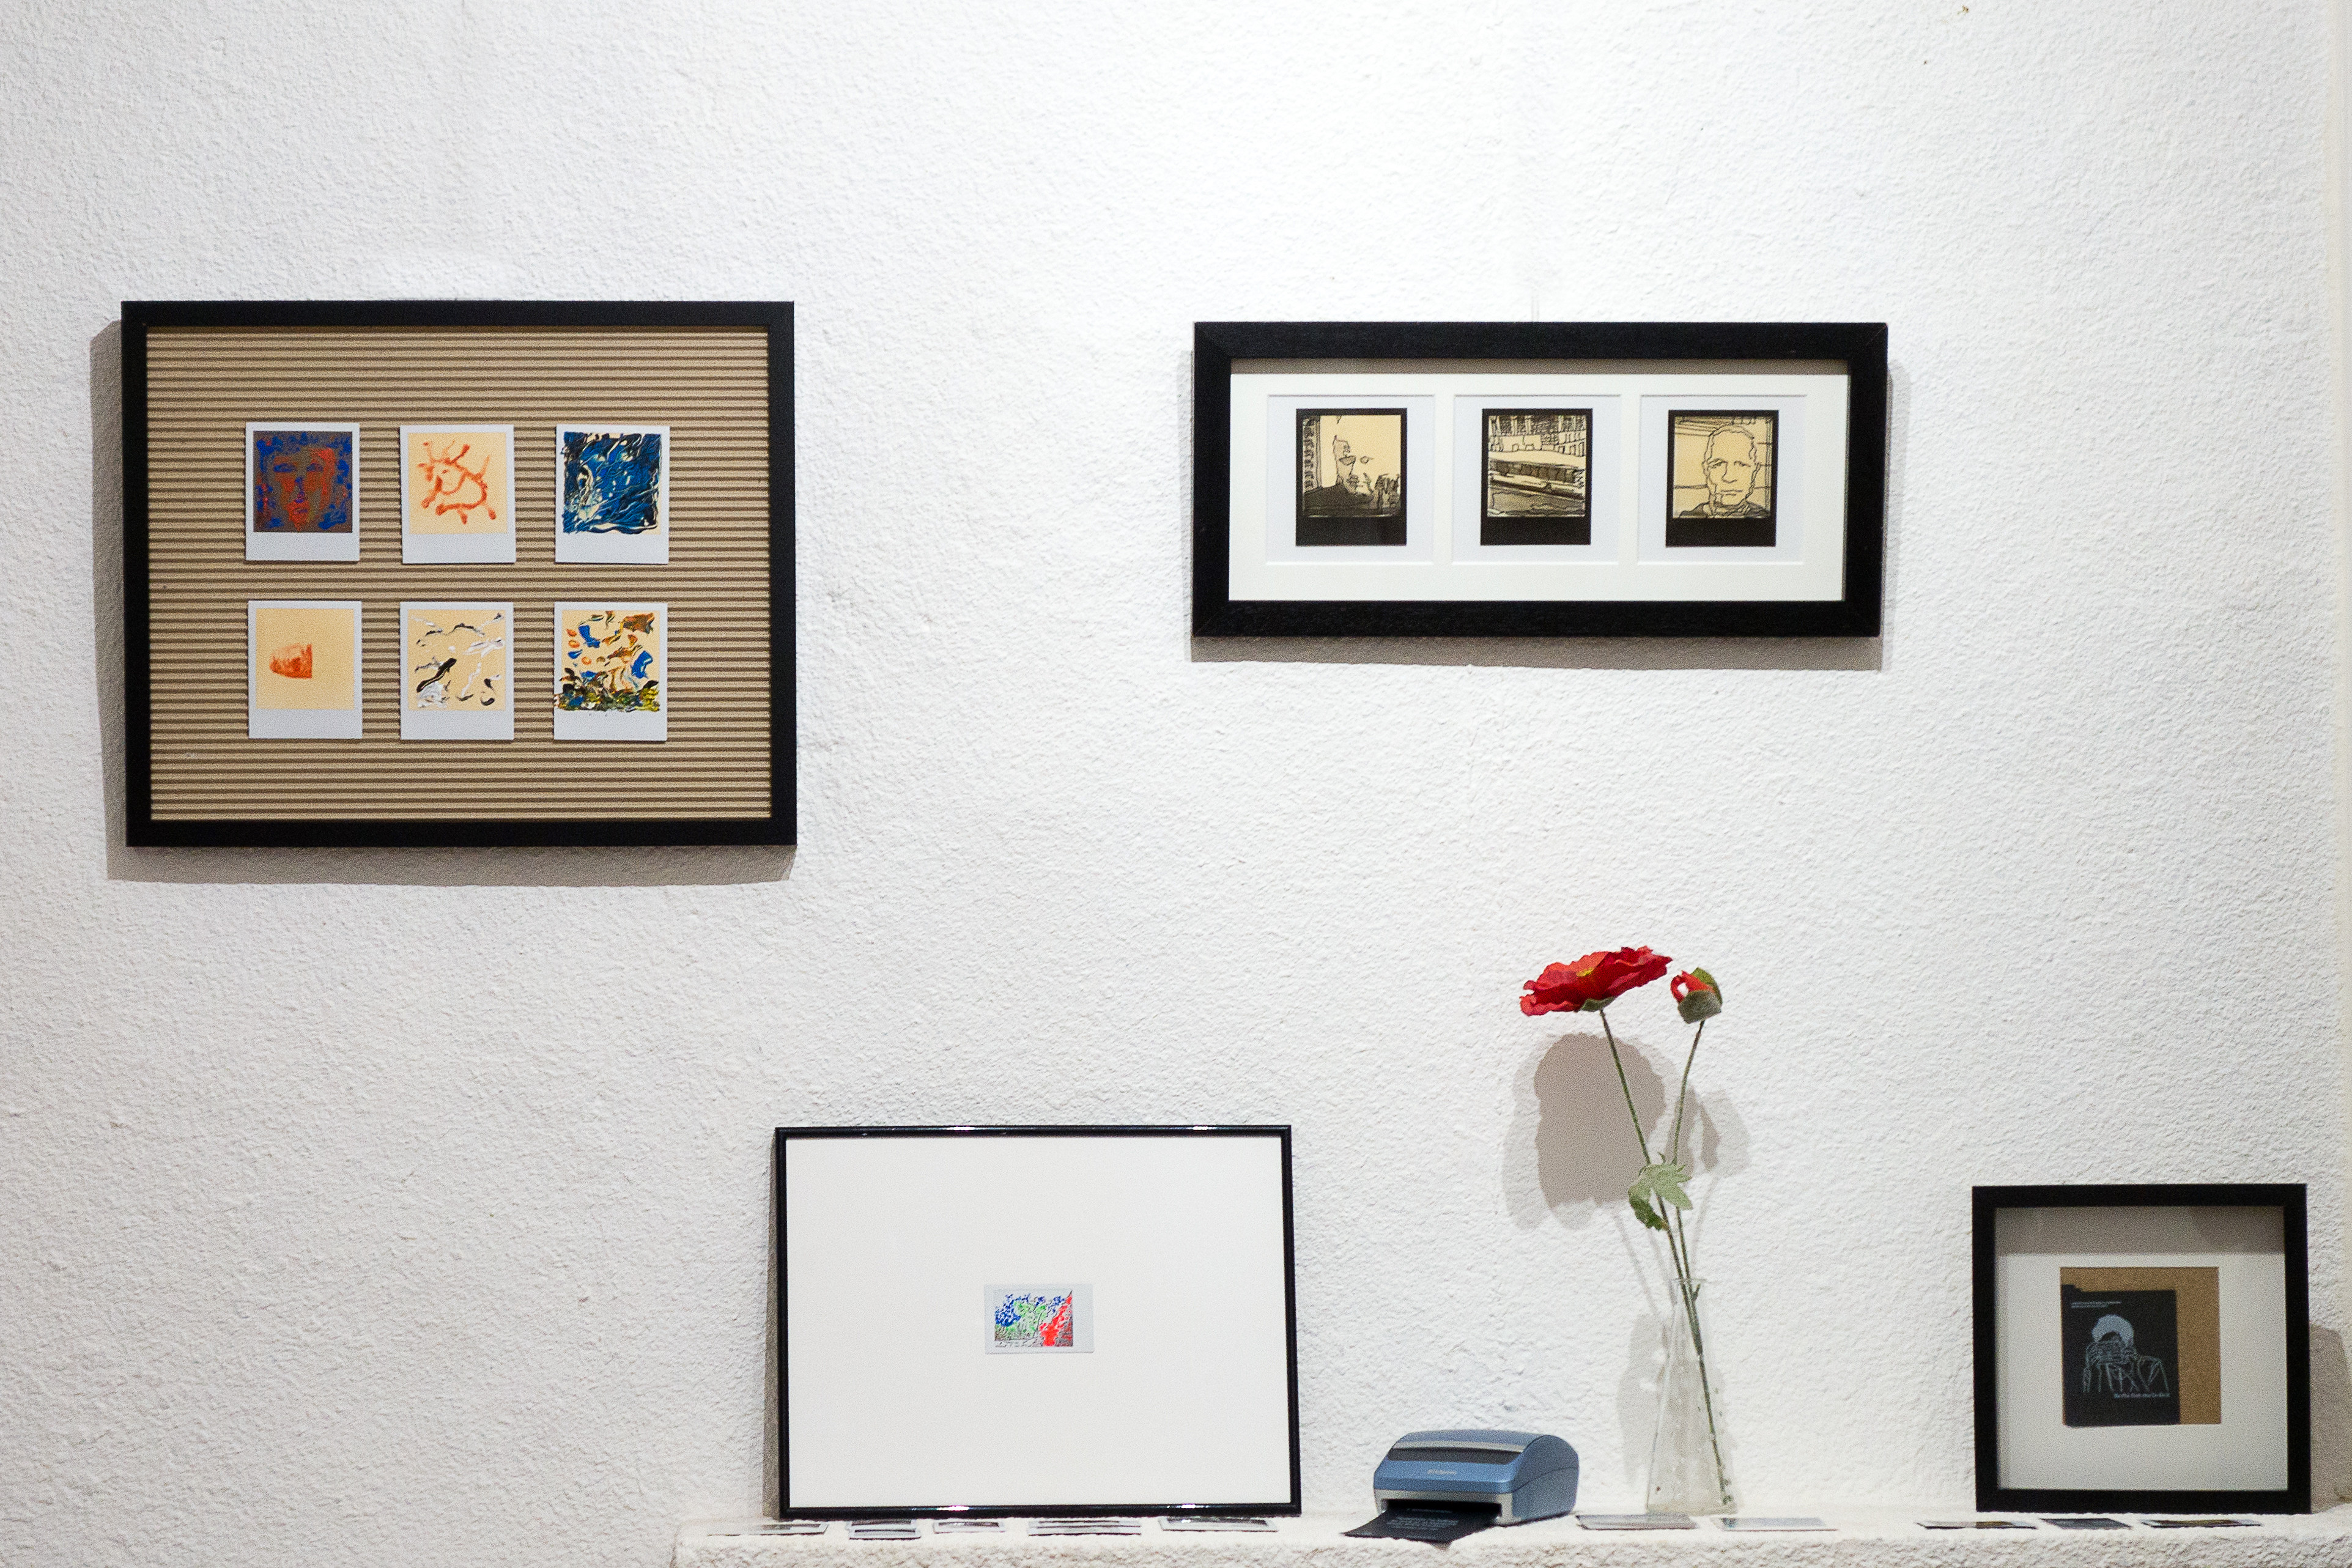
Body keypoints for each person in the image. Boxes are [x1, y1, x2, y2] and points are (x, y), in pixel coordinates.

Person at [1677, 424, 1770, 519]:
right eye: (1718, 464)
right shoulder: (1687, 518)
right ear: (1706, 469)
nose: (1729, 477)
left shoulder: (1765, 517)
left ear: (1755, 470)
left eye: (1742, 464)